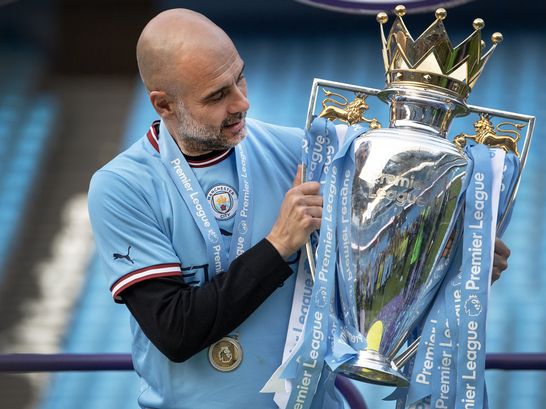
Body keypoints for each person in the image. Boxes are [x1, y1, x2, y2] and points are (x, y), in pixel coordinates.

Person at [87, 8, 511, 409]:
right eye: (217, 95)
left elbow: (367, 277)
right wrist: (278, 245)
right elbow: (176, 331)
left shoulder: (305, 153)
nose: (241, 103)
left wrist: (457, 266)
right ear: (164, 104)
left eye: (241, 79)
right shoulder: (122, 187)